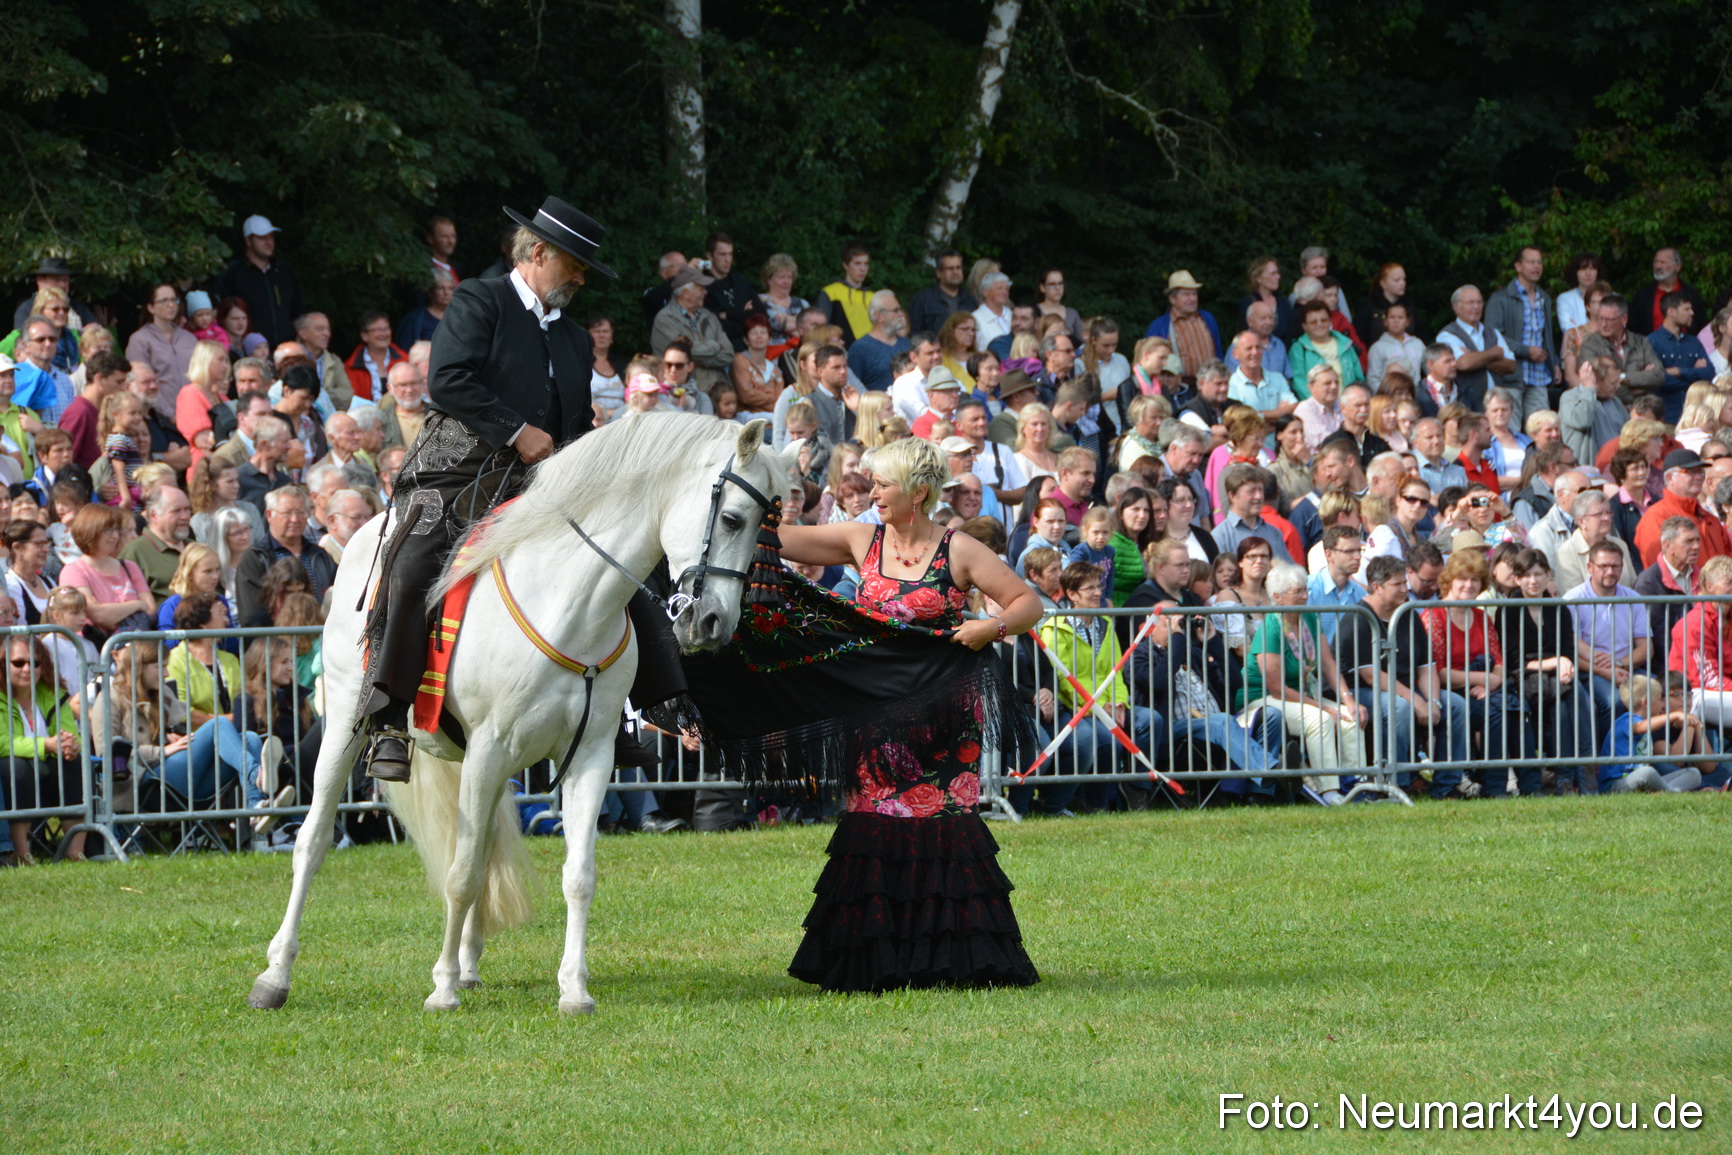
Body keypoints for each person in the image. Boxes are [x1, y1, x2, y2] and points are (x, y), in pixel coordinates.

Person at [362, 196, 679, 782]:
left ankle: (643, 705)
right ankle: (387, 720)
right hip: (459, 469)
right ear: (538, 252)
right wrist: (515, 430)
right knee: (410, 565)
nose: (581, 278)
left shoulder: (577, 340)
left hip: (546, 479)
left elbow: (576, 422)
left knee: (624, 558)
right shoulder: (480, 299)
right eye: (575, 265)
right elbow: (448, 379)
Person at [772, 435, 1042, 991]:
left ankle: (954, 960)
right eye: (871, 482)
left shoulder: (959, 548)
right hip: (876, 716)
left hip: (945, 718)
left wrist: (988, 627)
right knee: (874, 821)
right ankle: (872, 959)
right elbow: (777, 541)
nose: (872, 492)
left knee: (942, 824)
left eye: (882, 483)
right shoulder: (860, 538)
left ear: (918, 493)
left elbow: (1027, 603)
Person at [1239, 560, 1367, 804]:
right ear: (1277, 597)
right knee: (1319, 719)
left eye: (1305, 589)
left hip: (1301, 694)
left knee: (1351, 718)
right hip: (1263, 699)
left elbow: (1328, 662)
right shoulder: (1271, 626)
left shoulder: (1308, 617)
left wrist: (1348, 700)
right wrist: (1324, 707)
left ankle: (1357, 784)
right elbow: (1276, 688)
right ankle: (1328, 789)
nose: (1304, 596)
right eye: (1297, 591)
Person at [1417, 549, 1535, 797]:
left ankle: (1530, 785)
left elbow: (1499, 660)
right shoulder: (1434, 616)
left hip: (1485, 690)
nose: (1469, 585)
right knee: (1495, 710)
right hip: (1448, 692)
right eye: (1463, 578)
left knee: (1514, 705)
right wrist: (1483, 679)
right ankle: (1495, 786)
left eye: (1475, 580)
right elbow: (1436, 671)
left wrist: (1492, 683)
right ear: (1450, 580)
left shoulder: (1481, 616)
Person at [1496, 550, 1596, 794]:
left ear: (1548, 575)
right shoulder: (1507, 610)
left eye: (1539, 574)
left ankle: (1575, 777)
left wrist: (1565, 666)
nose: (1533, 581)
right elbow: (1514, 661)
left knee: (1571, 699)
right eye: (1527, 575)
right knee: (1570, 697)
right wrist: (1556, 662)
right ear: (1517, 579)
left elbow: (1568, 649)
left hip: (1557, 677)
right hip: (1525, 679)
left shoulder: (1557, 608)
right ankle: (1579, 777)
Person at [1, 634, 85, 864]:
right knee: (15, 767)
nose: (27, 669)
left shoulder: (53, 694)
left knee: (72, 763)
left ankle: (75, 852)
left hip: (47, 772)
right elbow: (2, 742)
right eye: (18, 663)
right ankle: (21, 852)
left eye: (35, 662)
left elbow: (70, 733)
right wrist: (46, 745)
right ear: (3, 664)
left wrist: (70, 745)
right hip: (12, 774)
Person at [1599, 673, 1709, 793]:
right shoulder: (1626, 720)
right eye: (1660, 699)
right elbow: (1640, 727)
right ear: (1646, 702)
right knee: (1647, 772)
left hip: (1640, 784)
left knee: (1694, 773)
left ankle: (1664, 793)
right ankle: (1673, 793)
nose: (1663, 704)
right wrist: (1674, 715)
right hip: (1617, 784)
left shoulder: (1645, 722)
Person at [1485, 246, 1559, 423]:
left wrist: (1554, 363)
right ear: (1518, 266)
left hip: (1539, 375)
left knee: (1542, 428)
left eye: (1539, 262)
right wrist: (1526, 350)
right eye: (1531, 262)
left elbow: (1546, 336)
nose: (1536, 266)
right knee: (1510, 429)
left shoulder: (1544, 298)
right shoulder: (1500, 298)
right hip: (1510, 376)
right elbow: (1492, 336)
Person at [59, 502, 156, 638]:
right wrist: (137, 604)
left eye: (116, 530)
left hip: (137, 647)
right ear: (91, 530)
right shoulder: (74, 571)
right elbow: (98, 615)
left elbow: (151, 609)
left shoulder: (129, 566)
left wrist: (112, 612)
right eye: (108, 531)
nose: (115, 536)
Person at [213, 215, 305, 350]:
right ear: (248, 241)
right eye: (262, 237)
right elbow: (220, 312)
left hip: (286, 350)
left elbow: (297, 312)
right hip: (249, 351)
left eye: (271, 237)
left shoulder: (284, 272)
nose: (268, 242)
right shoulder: (233, 272)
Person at [1634, 448, 1732, 568]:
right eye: (1691, 472)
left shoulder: (1710, 518)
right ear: (1670, 478)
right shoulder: (1656, 517)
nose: (1698, 477)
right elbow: (1660, 570)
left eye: (1701, 471)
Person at [1435, 284, 1518, 412]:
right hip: (1464, 405)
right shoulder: (1447, 335)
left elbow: (1511, 366)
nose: (1476, 307)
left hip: (1496, 405)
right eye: (1470, 303)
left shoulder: (1493, 332)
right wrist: (1494, 353)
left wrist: (1476, 357)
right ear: (1457, 307)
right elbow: (1463, 363)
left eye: (1479, 302)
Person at [1647, 291, 1716, 422]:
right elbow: (1659, 380)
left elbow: (1710, 374)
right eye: (1686, 309)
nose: (1692, 313)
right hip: (1666, 419)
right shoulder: (1652, 341)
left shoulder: (1694, 342)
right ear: (1671, 312)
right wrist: (1694, 376)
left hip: (1695, 420)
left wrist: (1679, 371)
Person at [119, 485, 192, 602]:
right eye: (176, 511)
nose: (185, 516)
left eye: (187, 509)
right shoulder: (136, 552)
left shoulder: (196, 548)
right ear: (154, 515)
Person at [1144, 271, 1221, 379]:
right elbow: (1150, 363)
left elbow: (1218, 353)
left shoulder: (1207, 319)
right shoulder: (1160, 326)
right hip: (1180, 388)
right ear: (1172, 299)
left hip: (1211, 384)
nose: (1193, 298)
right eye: (1186, 294)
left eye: (1194, 294)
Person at [1288, 300, 1364, 398]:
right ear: (1304, 326)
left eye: (1324, 320)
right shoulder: (1298, 349)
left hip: (1348, 406)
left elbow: (1359, 378)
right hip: (1316, 409)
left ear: (1330, 322)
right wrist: (1319, 406)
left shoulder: (1345, 344)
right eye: (1313, 322)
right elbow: (1299, 384)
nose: (1319, 324)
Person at [1628, 246, 1708, 337]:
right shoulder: (1642, 297)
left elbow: (1702, 328)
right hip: (1651, 349)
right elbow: (1633, 331)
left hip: (1686, 350)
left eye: (1663, 262)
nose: (1658, 266)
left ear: (1677, 267)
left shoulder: (1692, 295)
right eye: (1656, 262)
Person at [814, 242, 875, 344]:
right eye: (857, 263)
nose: (863, 269)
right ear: (845, 265)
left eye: (866, 264)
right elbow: (821, 330)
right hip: (840, 352)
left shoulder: (873, 296)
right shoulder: (831, 292)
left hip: (870, 352)